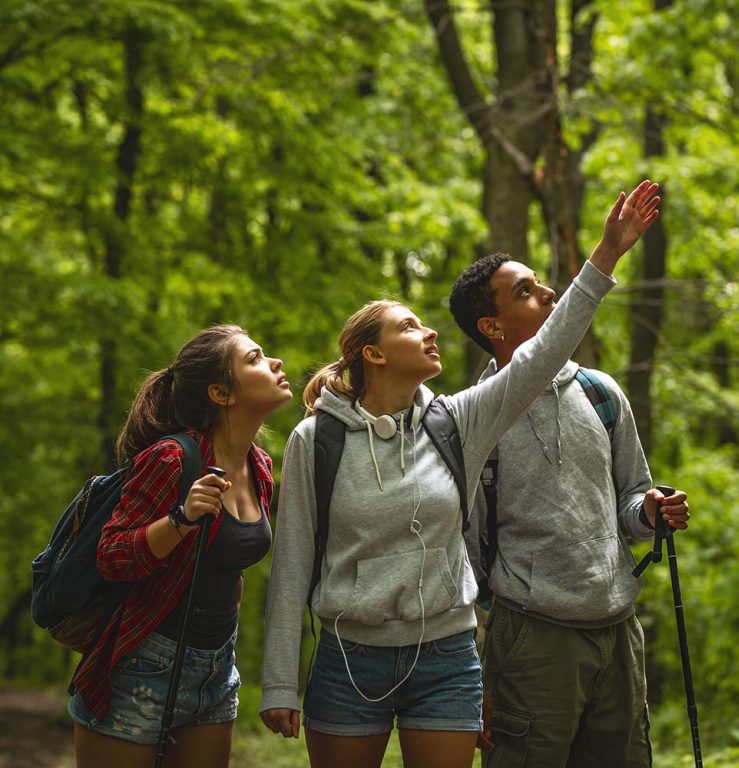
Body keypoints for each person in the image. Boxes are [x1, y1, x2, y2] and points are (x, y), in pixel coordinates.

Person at [259, 181, 662, 768]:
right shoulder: (316, 440)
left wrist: (605, 257)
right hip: (350, 656)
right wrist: (278, 681)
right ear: (373, 354)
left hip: (445, 655)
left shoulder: (457, 421)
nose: (430, 332)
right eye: (409, 326)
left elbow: (542, 354)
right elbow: (294, 560)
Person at [449, 233, 690, 766]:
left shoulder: (600, 391)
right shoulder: (472, 419)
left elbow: (630, 499)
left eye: (540, 282)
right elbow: (464, 554)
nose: (549, 293)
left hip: (618, 629)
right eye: (525, 291)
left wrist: (649, 512)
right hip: (530, 636)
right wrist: (470, 670)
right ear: (491, 327)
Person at [68, 325, 292, 768]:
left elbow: (224, 560)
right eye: (254, 358)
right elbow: (112, 556)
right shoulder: (172, 457)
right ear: (221, 393)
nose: (275, 362)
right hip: (145, 664)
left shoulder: (260, 466)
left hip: (217, 668)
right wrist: (180, 519)